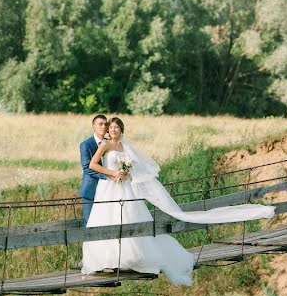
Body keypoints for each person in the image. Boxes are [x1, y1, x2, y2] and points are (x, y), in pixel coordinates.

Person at [81, 117, 275, 286]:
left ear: (121, 130)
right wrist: (113, 173)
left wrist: (126, 172)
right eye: (111, 127)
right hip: (109, 187)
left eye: (116, 127)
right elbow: (92, 165)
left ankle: (128, 259)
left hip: (124, 186)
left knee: (130, 220)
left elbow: (133, 167)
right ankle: (106, 260)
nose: (113, 130)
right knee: (108, 219)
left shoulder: (124, 146)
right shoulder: (105, 145)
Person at [79, 114, 109, 227]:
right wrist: (107, 176)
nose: (103, 127)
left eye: (105, 124)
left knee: (107, 222)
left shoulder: (110, 143)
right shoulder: (85, 145)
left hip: (109, 191)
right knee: (90, 224)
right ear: (93, 127)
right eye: (100, 124)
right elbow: (87, 168)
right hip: (91, 190)